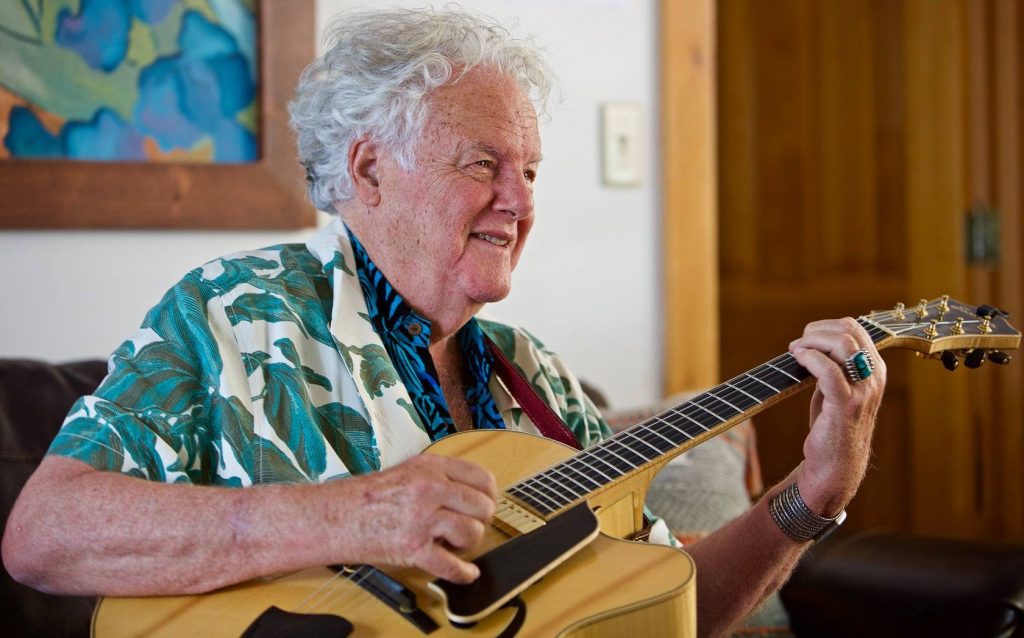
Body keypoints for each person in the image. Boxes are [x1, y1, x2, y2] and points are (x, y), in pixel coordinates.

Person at [1, 7, 886, 637]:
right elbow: (45, 535)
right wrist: (348, 518)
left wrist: (812, 499)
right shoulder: (235, 312)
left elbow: (657, 607)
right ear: (369, 170)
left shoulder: (532, 380)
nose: (520, 201)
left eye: (531, 170)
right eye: (484, 163)